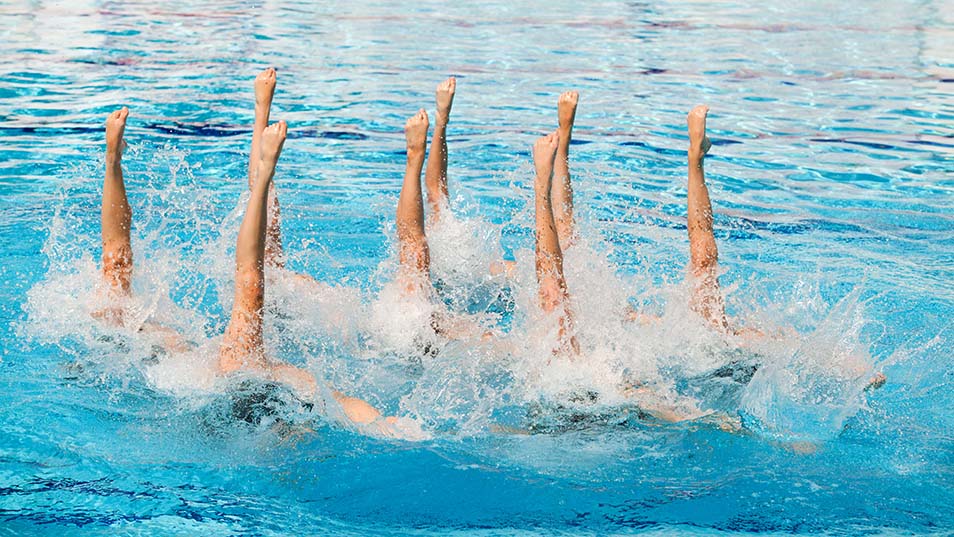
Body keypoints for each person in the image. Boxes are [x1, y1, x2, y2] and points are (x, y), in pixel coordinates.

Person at [92, 73, 401, 429]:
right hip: (230, 384)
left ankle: (255, 144)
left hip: (230, 387)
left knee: (123, 282)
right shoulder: (235, 363)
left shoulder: (224, 366)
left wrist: (386, 424)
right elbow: (249, 278)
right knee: (121, 281)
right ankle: (115, 161)